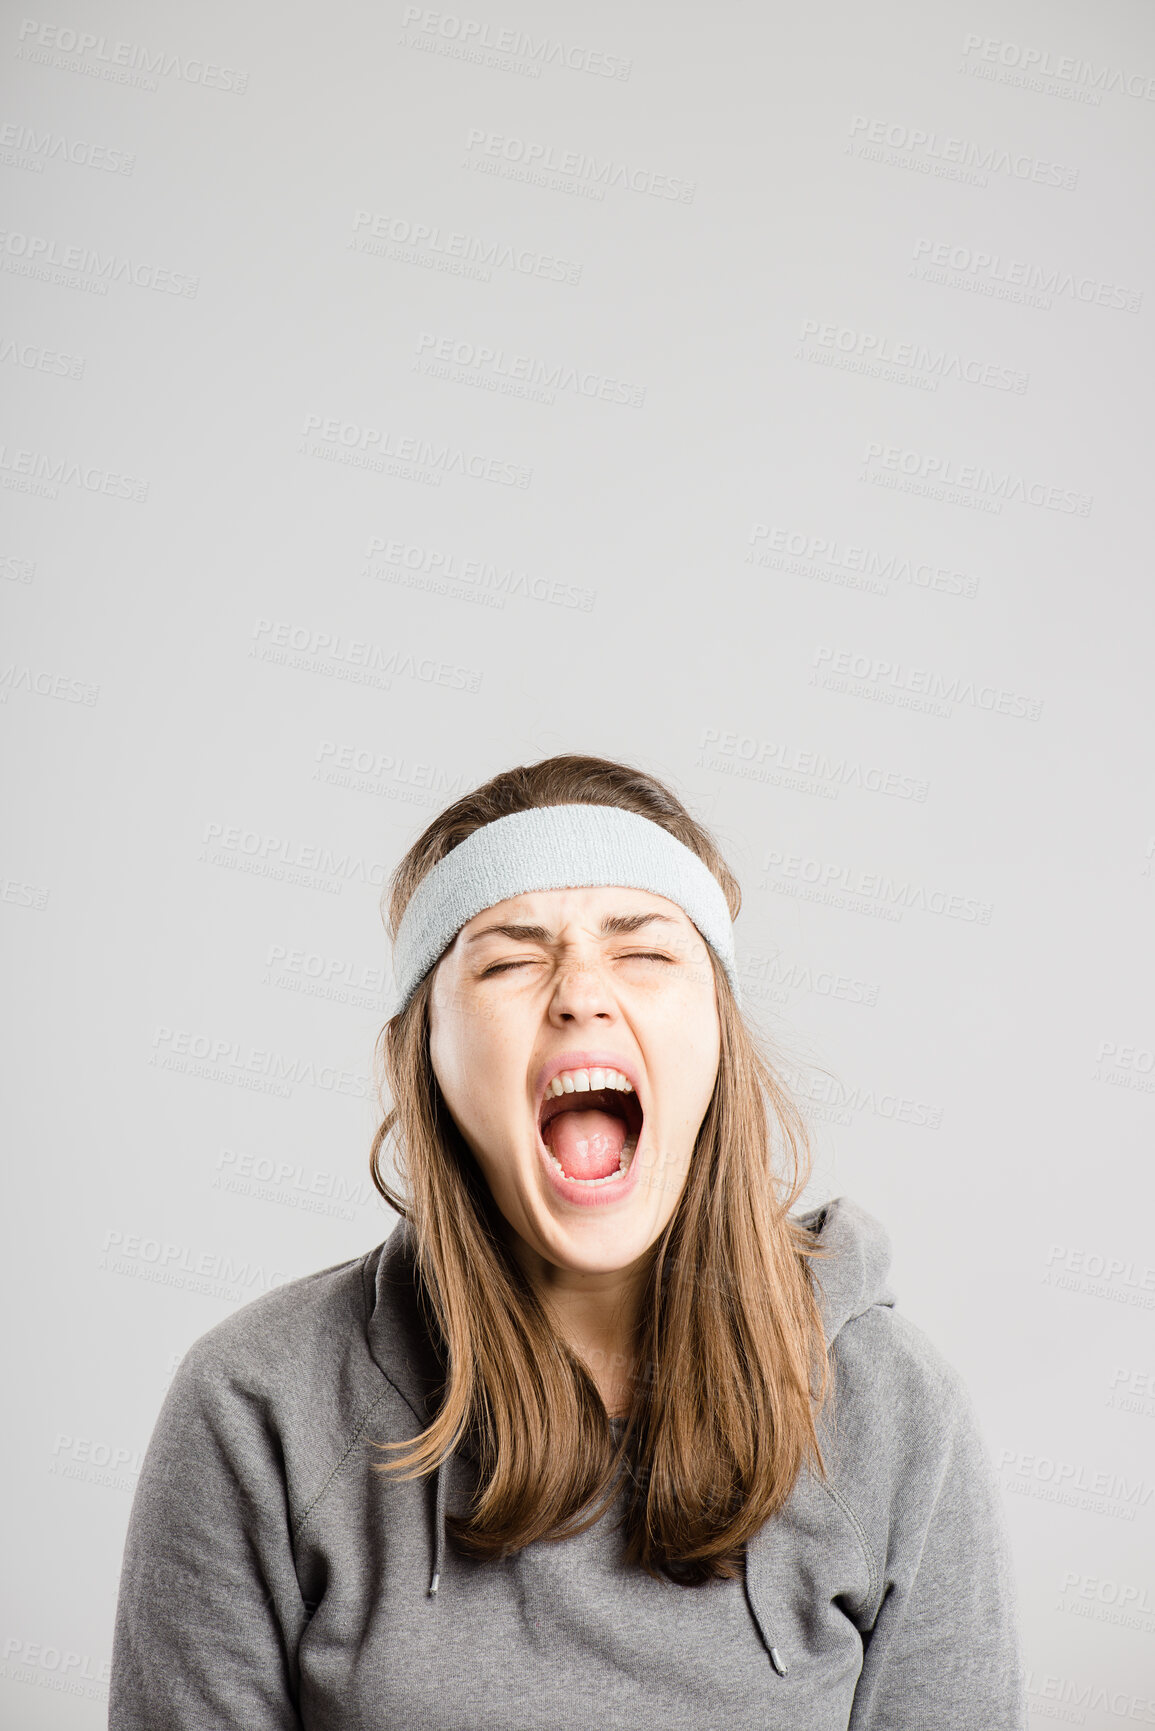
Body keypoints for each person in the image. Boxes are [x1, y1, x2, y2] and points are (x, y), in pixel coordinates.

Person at [109, 753, 1026, 1729]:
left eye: (645, 952)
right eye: (508, 959)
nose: (581, 993)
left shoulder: (894, 1412)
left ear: (716, 1032)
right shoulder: (254, 1409)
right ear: (425, 1057)